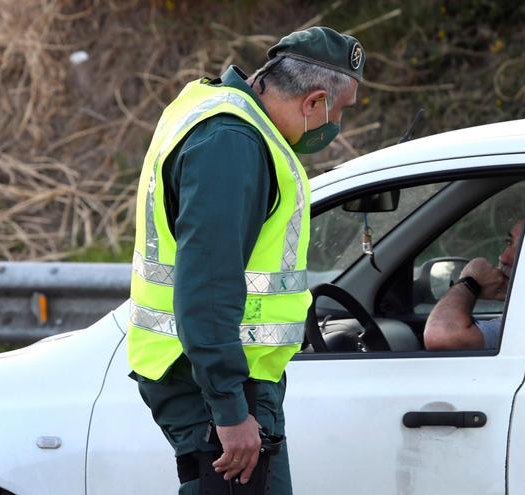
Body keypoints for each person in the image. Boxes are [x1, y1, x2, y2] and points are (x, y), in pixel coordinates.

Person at [126, 27, 363, 494]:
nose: (336, 126)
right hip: (213, 382)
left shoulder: (213, 110)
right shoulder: (232, 143)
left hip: (217, 375)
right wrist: (230, 409)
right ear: (314, 101)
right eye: (340, 111)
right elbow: (210, 286)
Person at [423, 220, 524, 350]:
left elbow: (440, 334)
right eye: (509, 243)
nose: (503, 257)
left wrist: (469, 282)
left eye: (523, 248)